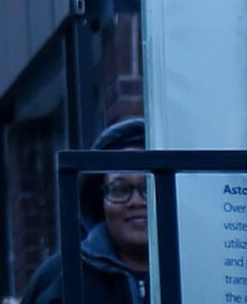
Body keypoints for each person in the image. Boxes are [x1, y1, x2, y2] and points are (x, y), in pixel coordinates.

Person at [20, 119, 150, 304]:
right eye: (120, 189)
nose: (136, 201)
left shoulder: (200, 263)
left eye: (149, 187)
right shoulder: (57, 278)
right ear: (100, 199)